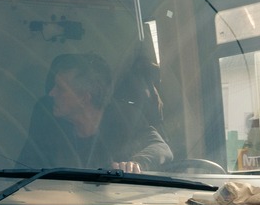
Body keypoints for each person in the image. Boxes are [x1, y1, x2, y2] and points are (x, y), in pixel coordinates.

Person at [20, 53, 170, 173]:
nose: (51, 93)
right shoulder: (48, 123)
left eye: (60, 89)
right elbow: (23, 171)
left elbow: (161, 148)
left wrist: (136, 164)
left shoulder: (124, 117)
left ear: (84, 98)